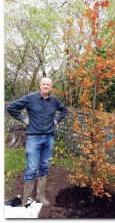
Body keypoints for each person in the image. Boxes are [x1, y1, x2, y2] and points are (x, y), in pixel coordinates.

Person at [7, 77, 68, 206]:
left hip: (49, 138)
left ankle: (40, 196)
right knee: (31, 168)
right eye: (44, 84)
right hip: (34, 138)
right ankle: (25, 200)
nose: (46, 86)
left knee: (44, 166)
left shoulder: (54, 101)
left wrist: (56, 120)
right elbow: (11, 107)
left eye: (48, 84)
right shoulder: (30, 98)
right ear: (40, 86)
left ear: (51, 87)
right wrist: (24, 119)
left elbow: (64, 110)